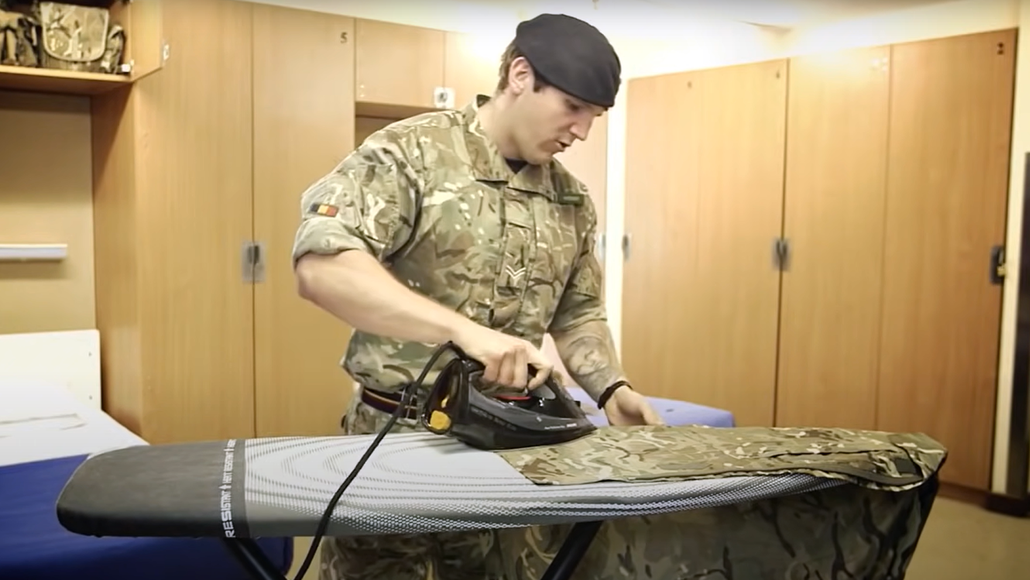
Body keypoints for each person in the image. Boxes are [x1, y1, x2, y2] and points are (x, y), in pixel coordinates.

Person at [291, 12, 662, 580]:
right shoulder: (411, 153)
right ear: (520, 75)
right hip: (394, 446)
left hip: (511, 451)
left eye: (594, 116)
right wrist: (463, 332)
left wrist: (611, 388)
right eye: (572, 107)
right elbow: (323, 267)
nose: (582, 132)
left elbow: (579, 312)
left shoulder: (571, 200)